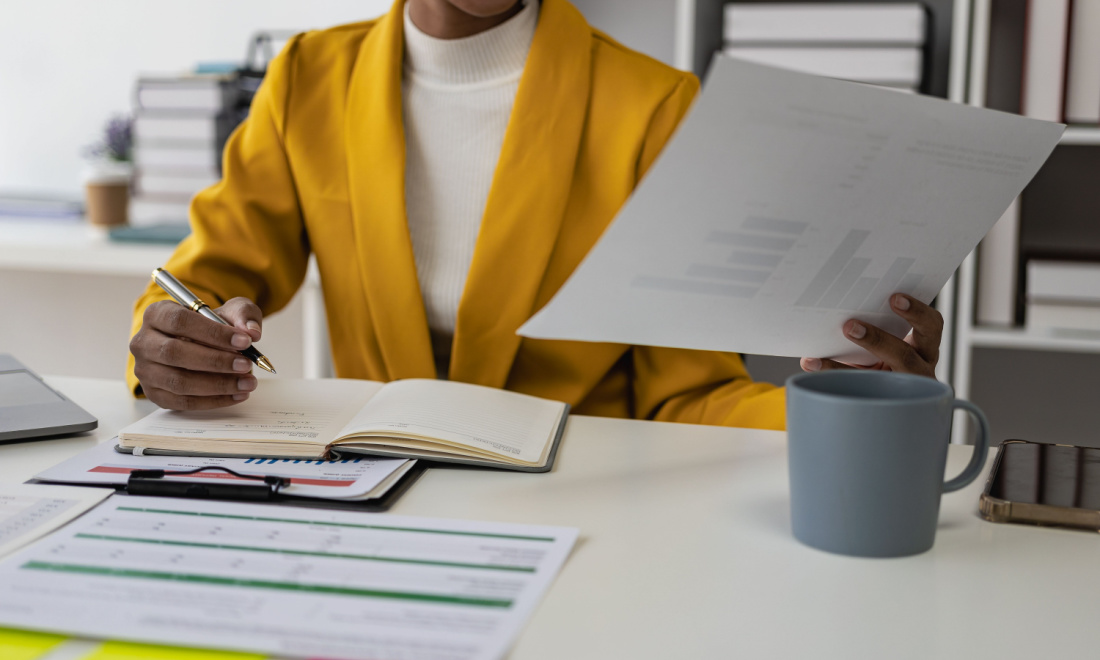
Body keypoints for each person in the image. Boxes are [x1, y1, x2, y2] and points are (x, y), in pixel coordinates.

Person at [127, 0, 943, 429]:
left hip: (587, 509)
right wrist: (172, 345)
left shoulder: (652, 104)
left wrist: (842, 414)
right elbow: (209, 279)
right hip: (369, 489)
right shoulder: (307, 75)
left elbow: (687, 395)